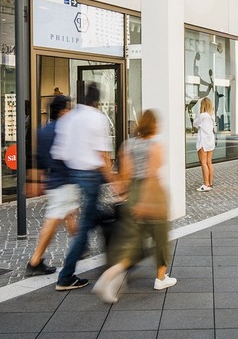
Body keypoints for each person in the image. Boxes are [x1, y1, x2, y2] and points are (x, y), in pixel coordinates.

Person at [93, 109, 176, 302]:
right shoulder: (155, 146)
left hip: (132, 195)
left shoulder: (128, 145)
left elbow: (125, 175)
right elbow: (153, 174)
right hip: (151, 193)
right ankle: (161, 277)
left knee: (132, 244)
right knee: (161, 238)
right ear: (155, 126)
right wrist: (150, 202)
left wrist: (123, 195)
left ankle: (108, 277)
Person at [52, 82, 115, 291]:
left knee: (98, 216)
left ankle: (110, 259)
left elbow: (59, 152)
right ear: (97, 101)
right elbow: (102, 154)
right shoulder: (97, 118)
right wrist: (113, 181)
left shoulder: (70, 118)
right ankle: (65, 276)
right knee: (89, 224)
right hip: (91, 176)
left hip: (72, 174)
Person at [26, 94, 78, 275]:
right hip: (64, 180)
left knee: (69, 213)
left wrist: (35, 180)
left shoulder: (43, 131)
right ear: (63, 110)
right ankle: (35, 260)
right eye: (69, 108)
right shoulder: (65, 130)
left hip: (55, 181)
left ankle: (80, 246)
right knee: (54, 218)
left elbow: (38, 159)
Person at [193, 96, 215, 192]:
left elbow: (194, 123)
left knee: (203, 163)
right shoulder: (212, 116)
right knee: (209, 162)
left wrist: (200, 113)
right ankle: (210, 183)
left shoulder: (203, 116)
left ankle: (206, 184)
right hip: (210, 141)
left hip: (203, 142)